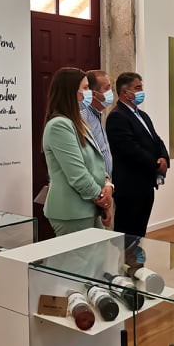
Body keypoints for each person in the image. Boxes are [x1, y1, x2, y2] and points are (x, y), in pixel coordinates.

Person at [42, 67, 113, 236]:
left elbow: (96, 162)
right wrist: (103, 200)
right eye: (86, 88)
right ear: (70, 92)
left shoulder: (78, 121)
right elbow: (78, 174)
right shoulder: (59, 125)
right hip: (72, 211)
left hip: (90, 206)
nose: (90, 93)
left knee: (98, 259)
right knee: (77, 262)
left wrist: (108, 185)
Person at [106, 72, 170, 237]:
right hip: (130, 188)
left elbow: (157, 140)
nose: (142, 91)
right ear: (125, 92)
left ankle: (137, 263)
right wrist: (156, 164)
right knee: (127, 236)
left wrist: (164, 159)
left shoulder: (142, 115)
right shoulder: (117, 117)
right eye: (137, 88)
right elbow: (131, 150)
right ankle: (124, 263)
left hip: (146, 185)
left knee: (140, 234)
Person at [80, 69, 114, 178]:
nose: (111, 92)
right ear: (94, 94)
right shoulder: (84, 116)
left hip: (104, 184)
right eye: (107, 88)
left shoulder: (97, 114)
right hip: (93, 186)